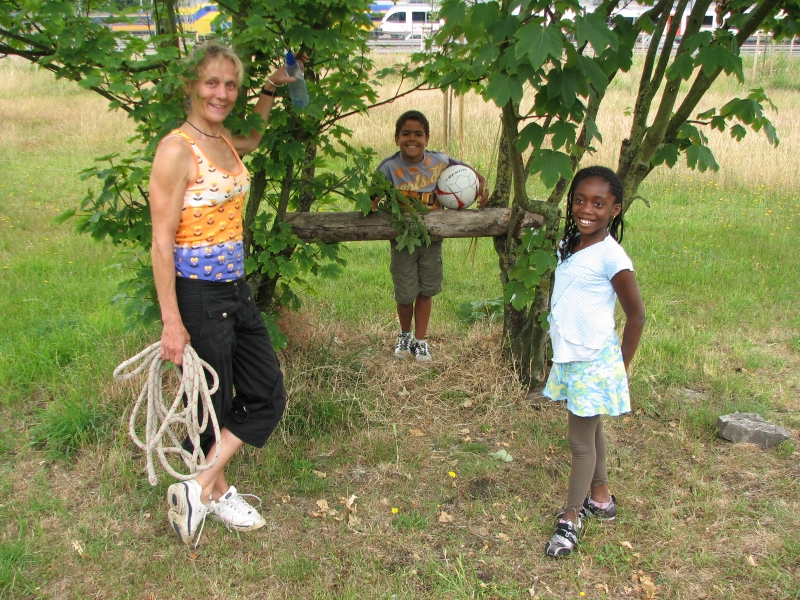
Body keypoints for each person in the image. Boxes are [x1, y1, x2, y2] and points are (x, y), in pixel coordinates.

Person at [149, 42, 302, 546]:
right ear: (191, 84)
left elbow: (253, 138)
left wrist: (269, 90)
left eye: (230, 85)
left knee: (267, 392)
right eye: (212, 82)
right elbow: (161, 242)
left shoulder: (223, 139)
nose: (221, 93)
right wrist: (172, 320)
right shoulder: (177, 149)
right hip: (197, 294)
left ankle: (196, 488)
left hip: (234, 290)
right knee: (210, 404)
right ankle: (213, 493)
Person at [542, 166, 646, 558]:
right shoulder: (570, 242)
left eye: (598, 203)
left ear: (615, 209)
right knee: (592, 422)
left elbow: (636, 315)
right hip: (572, 352)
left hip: (593, 360)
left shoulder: (611, 256)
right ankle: (600, 496)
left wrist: (620, 367)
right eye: (580, 200)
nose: (587, 209)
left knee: (579, 441)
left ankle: (571, 517)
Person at [373, 110, 488, 362]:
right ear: (396, 138)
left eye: (418, 134)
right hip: (403, 242)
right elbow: (371, 199)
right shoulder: (389, 168)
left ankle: (420, 340)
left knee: (426, 290)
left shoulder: (439, 161)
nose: (412, 139)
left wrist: (481, 181)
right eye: (406, 134)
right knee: (405, 293)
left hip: (432, 241)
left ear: (427, 138)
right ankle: (404, 335)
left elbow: (466, 171)